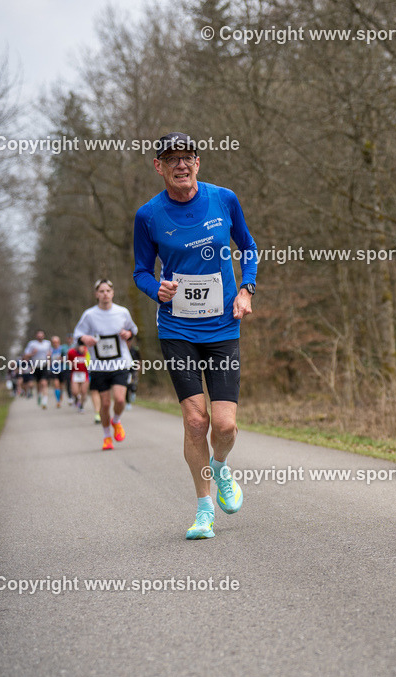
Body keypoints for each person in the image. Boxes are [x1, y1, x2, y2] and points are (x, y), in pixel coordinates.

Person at [133, 131, 257, 540]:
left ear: (198, 162)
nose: (180, 165)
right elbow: (140, 271)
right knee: (194, 421)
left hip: (222, 325)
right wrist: (157, 289)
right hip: (177, 326)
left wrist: (246, 290)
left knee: (224, 426)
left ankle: (220, 469)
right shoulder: (148, 215)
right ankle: (204, 510)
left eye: (187, 157)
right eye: (172, 159)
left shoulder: (224, 199)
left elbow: (249, 247)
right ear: (159, 167)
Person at [73, 279, 138, 450]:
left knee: (119, 399)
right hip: (99, 366)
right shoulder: (89, 315)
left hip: (120, 363)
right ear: (96, 294)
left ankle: (116, 421)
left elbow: (134, 329)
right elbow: (77, 334)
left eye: (108, 291)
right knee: (105, 403)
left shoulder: (122, 312)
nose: (105, 294)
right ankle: (106, 436)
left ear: (113, 292)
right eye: (101, 291)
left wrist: (128, 333)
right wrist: (84, 338)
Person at [21, 330, 52, 409]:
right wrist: (32, 353)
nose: (40, 337)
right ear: (36, 336)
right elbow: (25, 356)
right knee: (38, 384)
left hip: (44, 366)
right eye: (38, 335)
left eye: (41, 335)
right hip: (35, 366)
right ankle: (39, 395)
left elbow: (50, 354)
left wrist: (49, 358)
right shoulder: (32, 344)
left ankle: (44, 401)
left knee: (44, 383)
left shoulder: (47, 343)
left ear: (44, 336)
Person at [67, 340, 90, 413]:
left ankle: (81, 406)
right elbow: (68, 362)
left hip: (84, 374)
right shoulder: (71, 352)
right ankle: (76, 399)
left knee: (84, 391)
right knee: (75, 391)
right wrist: (71, 364)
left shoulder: (87, 352)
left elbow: (91, 361)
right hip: (75, 374)